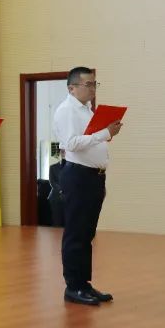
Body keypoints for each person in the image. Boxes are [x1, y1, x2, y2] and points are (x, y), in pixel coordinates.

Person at [53, 67, 121, 306]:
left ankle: (84, 284)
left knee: (86, 233)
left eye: (94, 84)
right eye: (88, 84)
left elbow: (90, 141)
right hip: (78, 176)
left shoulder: (87, 110)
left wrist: (106, 134)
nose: (93, 89)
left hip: (93, 177)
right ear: (72, 88)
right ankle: (73, 286)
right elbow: (71, 143)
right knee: (76, 233)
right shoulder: (67, 110)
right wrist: (104, 133)